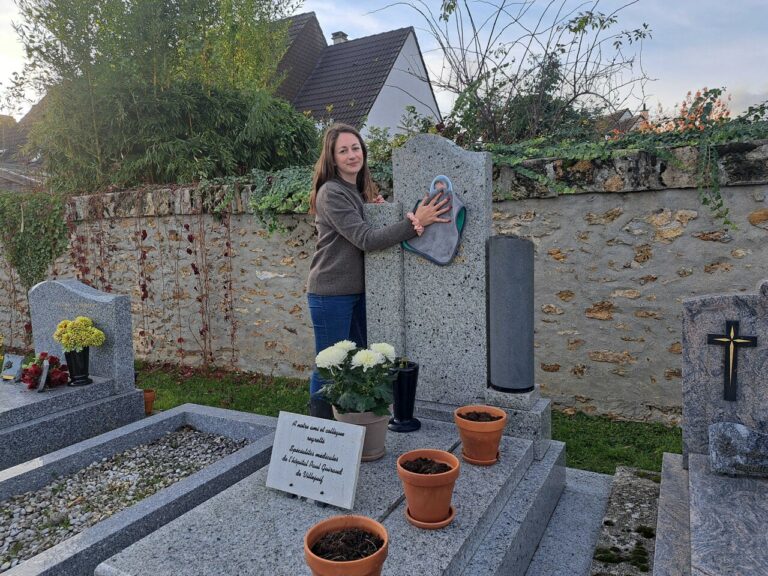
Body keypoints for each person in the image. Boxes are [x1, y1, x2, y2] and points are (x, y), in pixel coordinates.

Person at [306, 123, 451, 418]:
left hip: (358, 292)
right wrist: (415, 222)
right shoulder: (332, 193)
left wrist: (380, 211)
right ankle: (319, 431)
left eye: (356, 148)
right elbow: (366, 239)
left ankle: (351, 424)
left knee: (358, 362)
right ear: (332, 159)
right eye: (343, 150)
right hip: (331, 293)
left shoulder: (357, 191)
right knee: (329, 367)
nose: (351, 155)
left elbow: (369, 229)